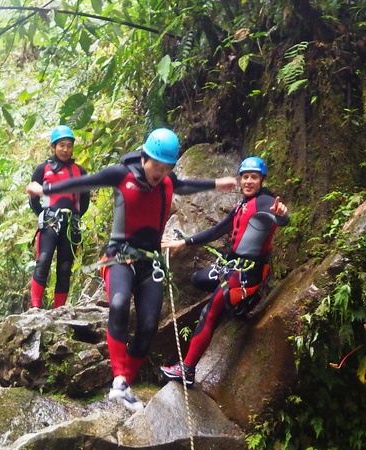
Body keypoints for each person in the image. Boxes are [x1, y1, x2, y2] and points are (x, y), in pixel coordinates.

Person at [26, 127, 237, 411]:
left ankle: (126, 384)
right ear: (146, 157)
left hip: (150, 261)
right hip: (120, 256)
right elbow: (86, 181)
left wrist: (216, 184)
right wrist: (45, 189)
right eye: (157, 165)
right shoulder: (121, 174)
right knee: (120, 303)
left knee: (149, 325)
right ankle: (118, 380)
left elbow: (184, 185)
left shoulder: (167, 181)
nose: (160, 172)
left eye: (166, 167)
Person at [159, 156, 288, 385]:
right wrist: (185, 242)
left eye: (254, 177)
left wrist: (281, 215)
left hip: (248, 273)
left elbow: (280, 218)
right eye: (245, 177)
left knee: (210, 311)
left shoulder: (265, 201)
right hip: (232, 266)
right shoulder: (242, 204)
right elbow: (218, 229)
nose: (248, 181)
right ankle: (236, 304)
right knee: (198, 279)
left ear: (262, 180)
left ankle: (187, 370)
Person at [28, 125, 91, 309]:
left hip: (70, 224)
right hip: (50, 222)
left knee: (64, 268)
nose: (65, 149)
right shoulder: (43, 169)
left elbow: (84, 200)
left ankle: (59, 310)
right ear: (54, 147)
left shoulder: (80, 172)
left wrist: (76, 217)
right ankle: (35, 307)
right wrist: (42, 215)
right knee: (44, 260)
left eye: (69, 145)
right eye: (61, 145)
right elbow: (33, 198)